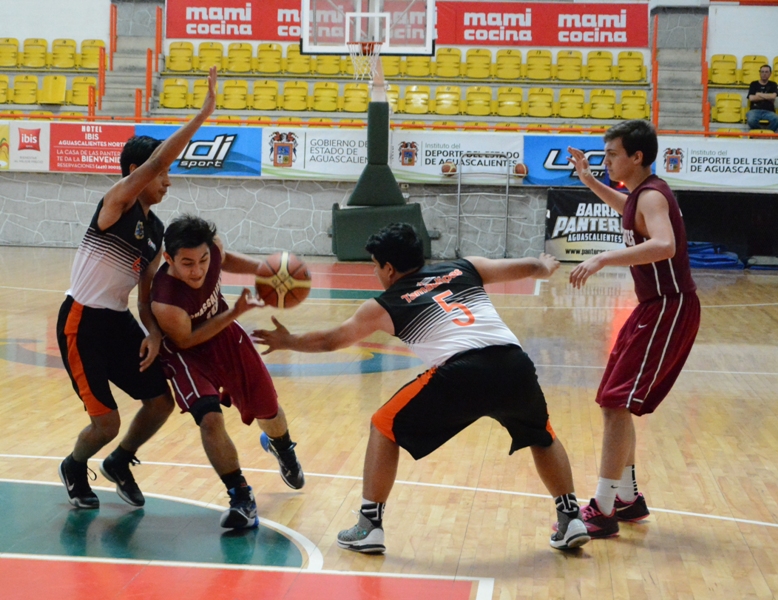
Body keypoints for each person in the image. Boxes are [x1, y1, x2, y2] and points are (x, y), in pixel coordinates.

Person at [254, 223, 590, 553]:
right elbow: (528, 267)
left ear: (389, 268)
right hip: (514, 364)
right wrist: (544, 265)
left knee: (383, 425)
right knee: (541, 435)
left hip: (462, 372)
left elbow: (330, 340)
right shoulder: (466, 267)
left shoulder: (386, 304)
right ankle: (571, 518)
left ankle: (369, 526)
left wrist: (287, 341)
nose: (375, 272)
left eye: (375, 265)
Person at [57, 67, 219, 510]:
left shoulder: (157, 230)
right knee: (105, 423)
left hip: (118, 321)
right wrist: (203, 114)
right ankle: (74, 464)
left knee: (160, 401)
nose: (168, 181)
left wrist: (153, 332)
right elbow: (156, 161)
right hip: (81, 321)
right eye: (163, 173)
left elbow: (145, 293)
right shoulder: (117, 202)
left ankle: (120, 461)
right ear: (137, 172)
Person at [566, 120, 700, 538]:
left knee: (615, 403)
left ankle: (603, 508)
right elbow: (626, 208)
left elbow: (665, 245)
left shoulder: (654, 196)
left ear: (636, 157)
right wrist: (589, 180)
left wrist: (603, 258)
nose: (606, 160)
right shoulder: (641, 195)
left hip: (669, 307)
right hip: (652, 307)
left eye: (612, 154)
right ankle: (626, 497)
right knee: (614, 401)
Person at [150, 215, 304, 529]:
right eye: (187, 263)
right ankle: (241, 496)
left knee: (269, 411)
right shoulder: (165, 299)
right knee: (209, 419)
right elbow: (187, 339)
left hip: (226, 338)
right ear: (169, 258)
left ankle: (282, 447)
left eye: (203, 260)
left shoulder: (213, 250)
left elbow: (225, 258)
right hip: (187, 354)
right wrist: (235, 311)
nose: (198, 270)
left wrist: (264, 270)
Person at [746, 65, 778, 132]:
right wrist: (767, 97)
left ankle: (767, 134)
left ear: (770, 73)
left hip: (769, 111)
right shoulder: (754, 84)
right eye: (762, 72)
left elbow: (773, 96)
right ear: (759, 73)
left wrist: (759, 94)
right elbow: (751, 98)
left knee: (776, 119)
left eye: (766, 72)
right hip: (755, 110)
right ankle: (760, 133)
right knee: (751, 120)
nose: (764, 74)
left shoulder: (773, 84)